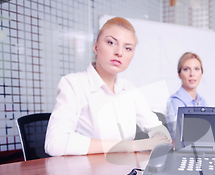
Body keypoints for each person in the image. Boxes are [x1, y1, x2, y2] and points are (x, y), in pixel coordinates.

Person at [45, 17, 170, 156]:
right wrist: (133, 145)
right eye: (111, 42)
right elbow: (55, 143)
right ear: (96, 47)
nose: (119, 52)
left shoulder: (129, 89)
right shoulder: (74, 84)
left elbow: (154, 125)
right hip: (87, 172)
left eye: (128, 48)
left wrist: (160, 136)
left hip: (128, 171)